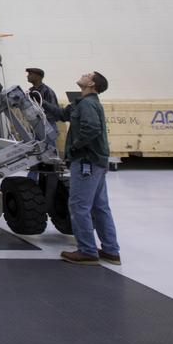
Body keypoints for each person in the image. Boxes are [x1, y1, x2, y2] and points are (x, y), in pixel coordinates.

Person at [43, 71, 120, 266]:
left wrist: (75, 146)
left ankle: (87, 251)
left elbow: (92, 128)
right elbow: (62, 114)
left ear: (92, 84)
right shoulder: (81, 103)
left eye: (87, 75)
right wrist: (39, 102)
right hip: (96, 163)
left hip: (86, 162)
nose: (83, 75)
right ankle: (111, 251)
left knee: (79, 206)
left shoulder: (87, 104)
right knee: (100, 207)